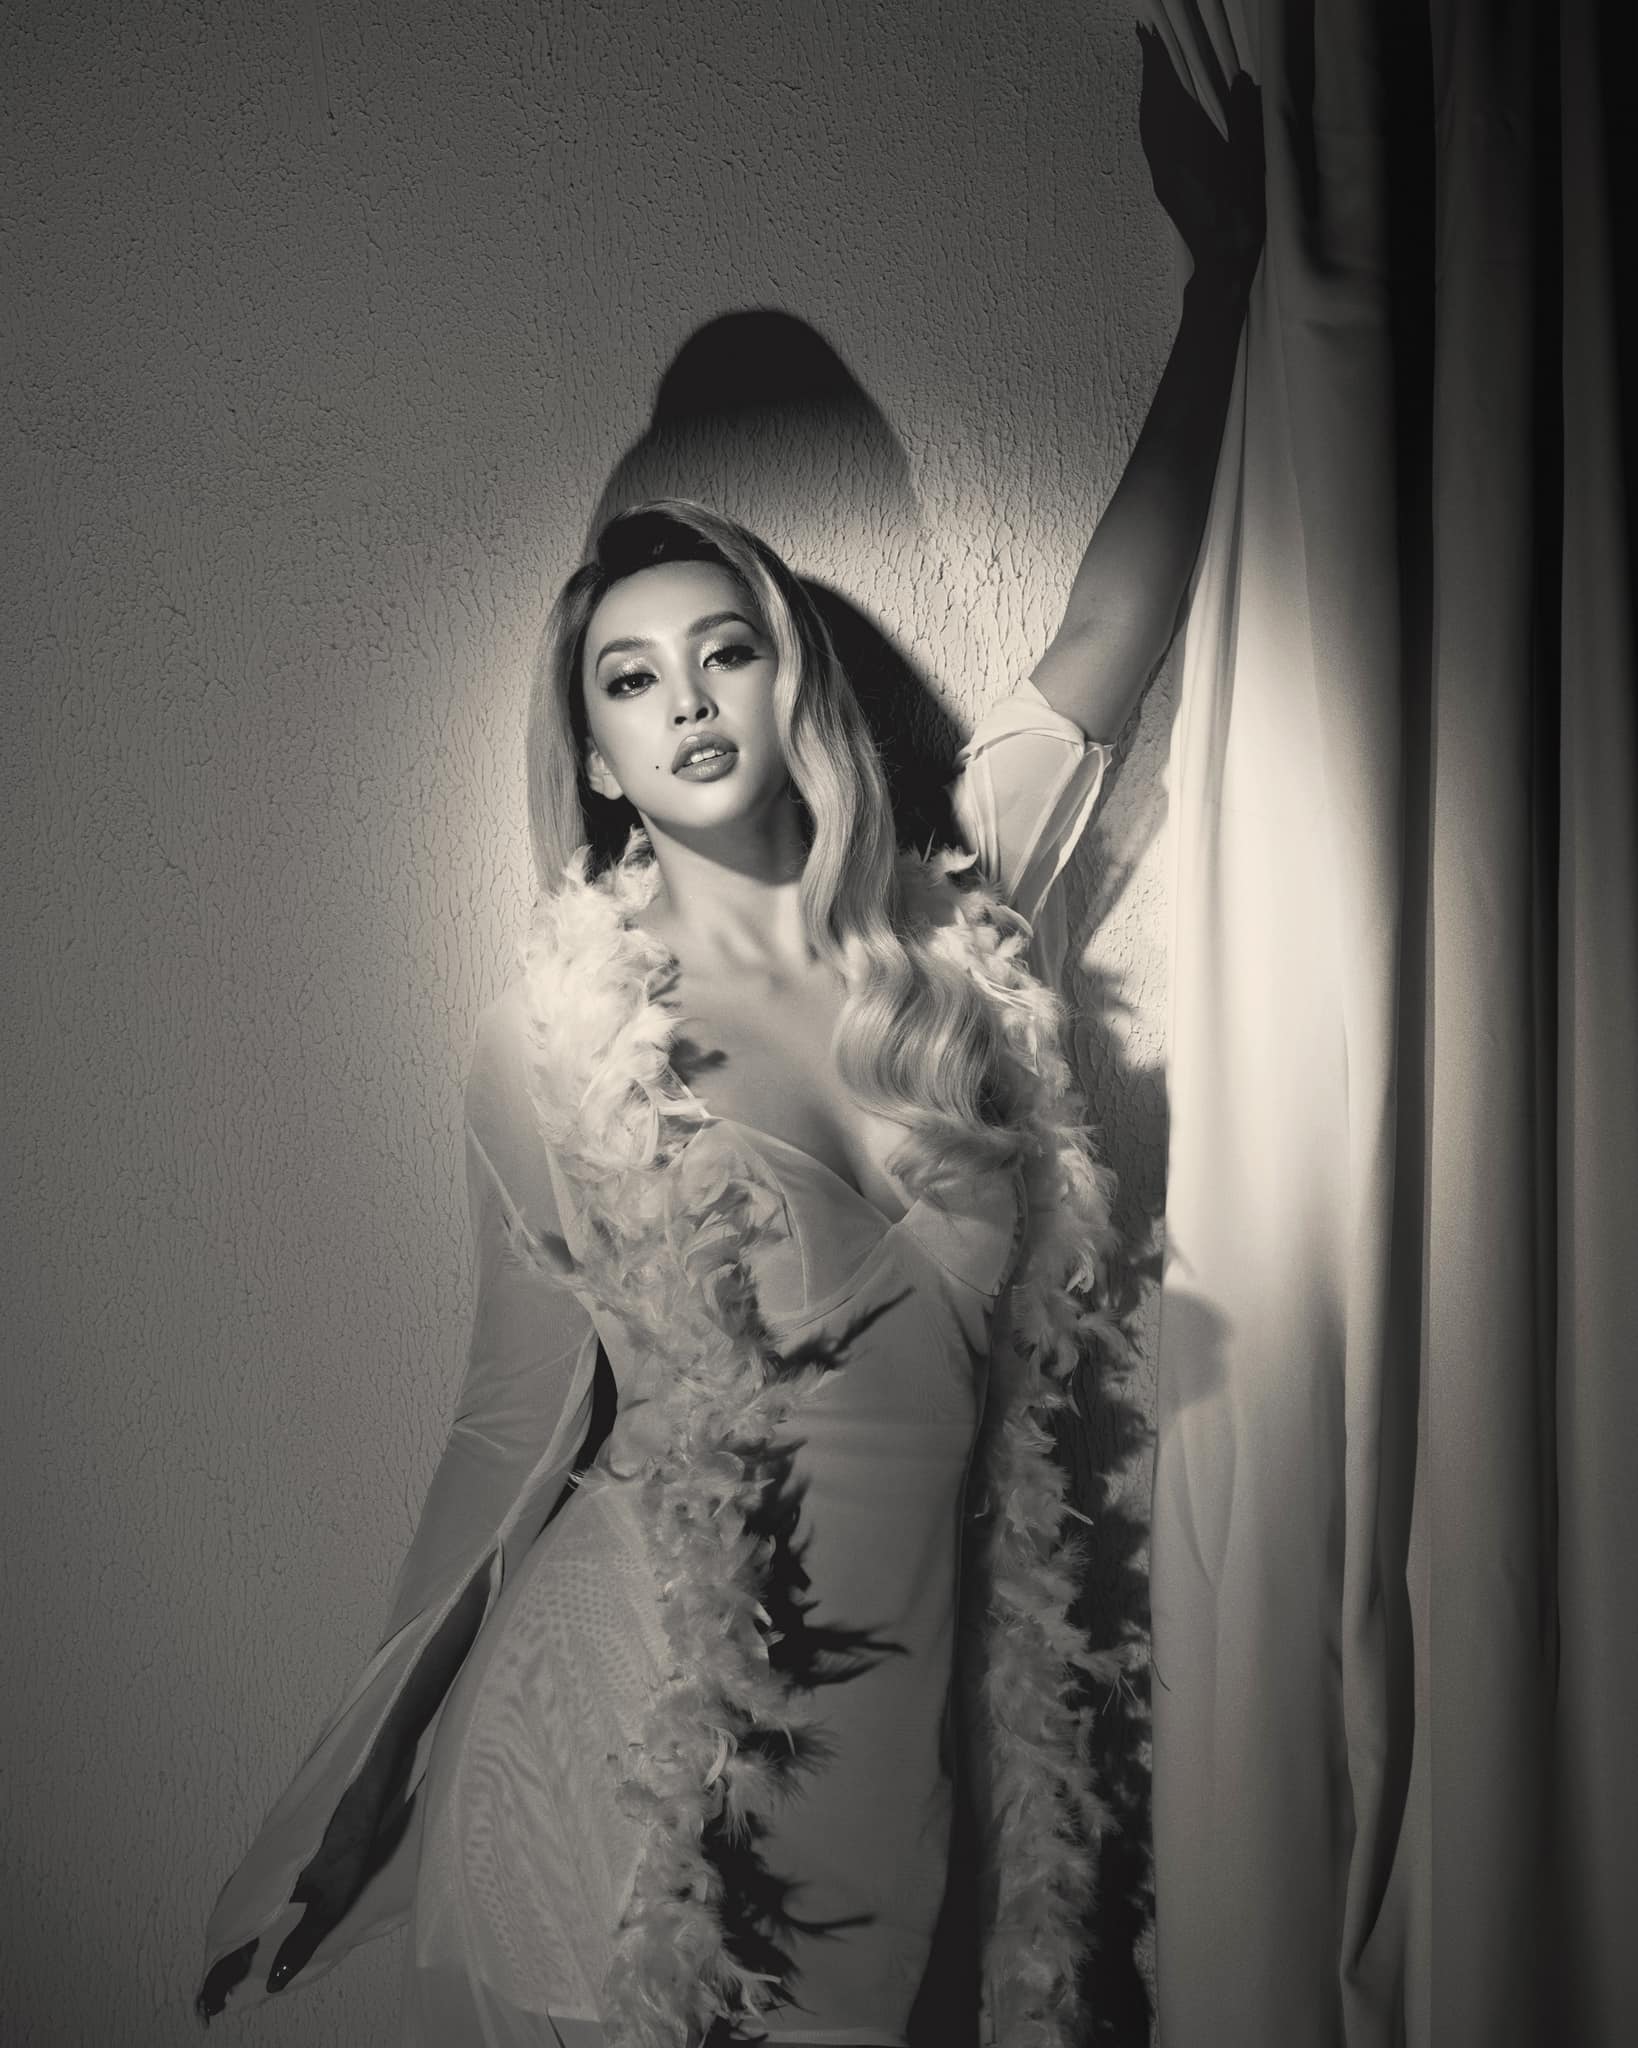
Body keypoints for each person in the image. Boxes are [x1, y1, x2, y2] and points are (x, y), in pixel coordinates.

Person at [196, 31, 1264, 2048]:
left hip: (902, 1781)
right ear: (597, 757)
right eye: (628, 679)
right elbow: (510, 1430)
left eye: (724, 650)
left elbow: (1107, 646)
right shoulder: (556, 1042)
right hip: (622, 1779)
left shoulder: (954, 940)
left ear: (791, 687)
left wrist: (1227, 287)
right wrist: (354, 1793)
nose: (684, 699)